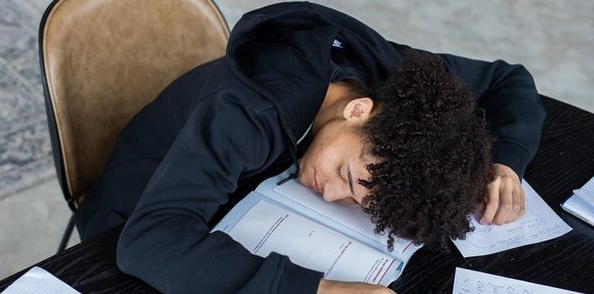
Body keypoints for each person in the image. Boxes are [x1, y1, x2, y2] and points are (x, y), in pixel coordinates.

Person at [74, 2, 545, 293]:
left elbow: (509, 81)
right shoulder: (246, 114)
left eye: (359, 203)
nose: (331, 195)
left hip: (243, 199)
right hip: (127, 215)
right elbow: (148, 243)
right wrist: (317, 289)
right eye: (346, 176)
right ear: (358, 111)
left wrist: (505, 163)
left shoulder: (392, 84)